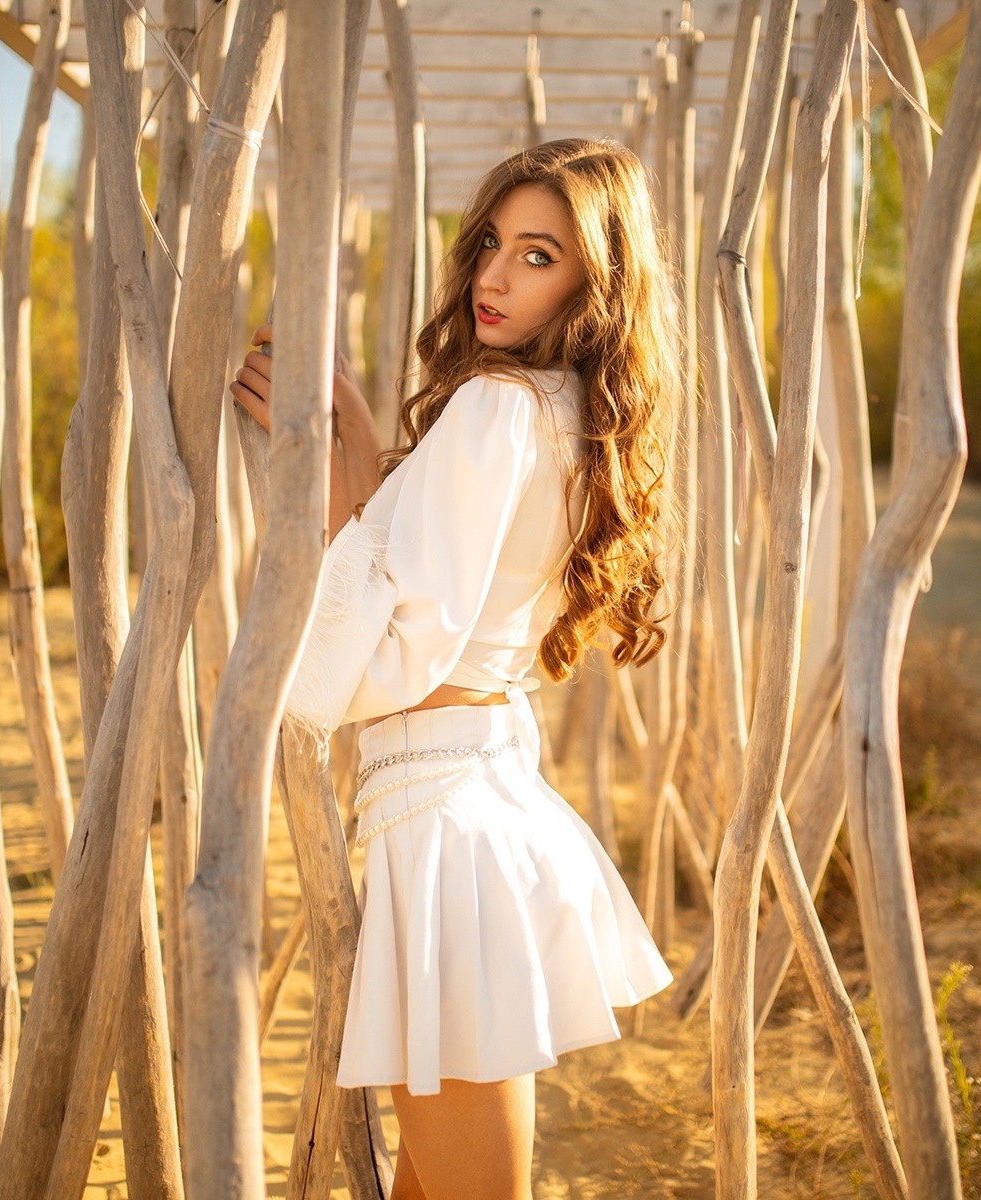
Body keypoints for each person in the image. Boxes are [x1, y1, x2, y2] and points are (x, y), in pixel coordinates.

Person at [231, 138, 678, 1200]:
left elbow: (389, 658)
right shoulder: (568, 411)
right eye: (491, 242)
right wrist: (359, 458)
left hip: (442, 826)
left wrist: (331, 529)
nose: (491, 275)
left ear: (594, 281)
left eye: (537, 256)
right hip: (474, 800)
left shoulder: (493, 408)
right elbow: (443, 602)